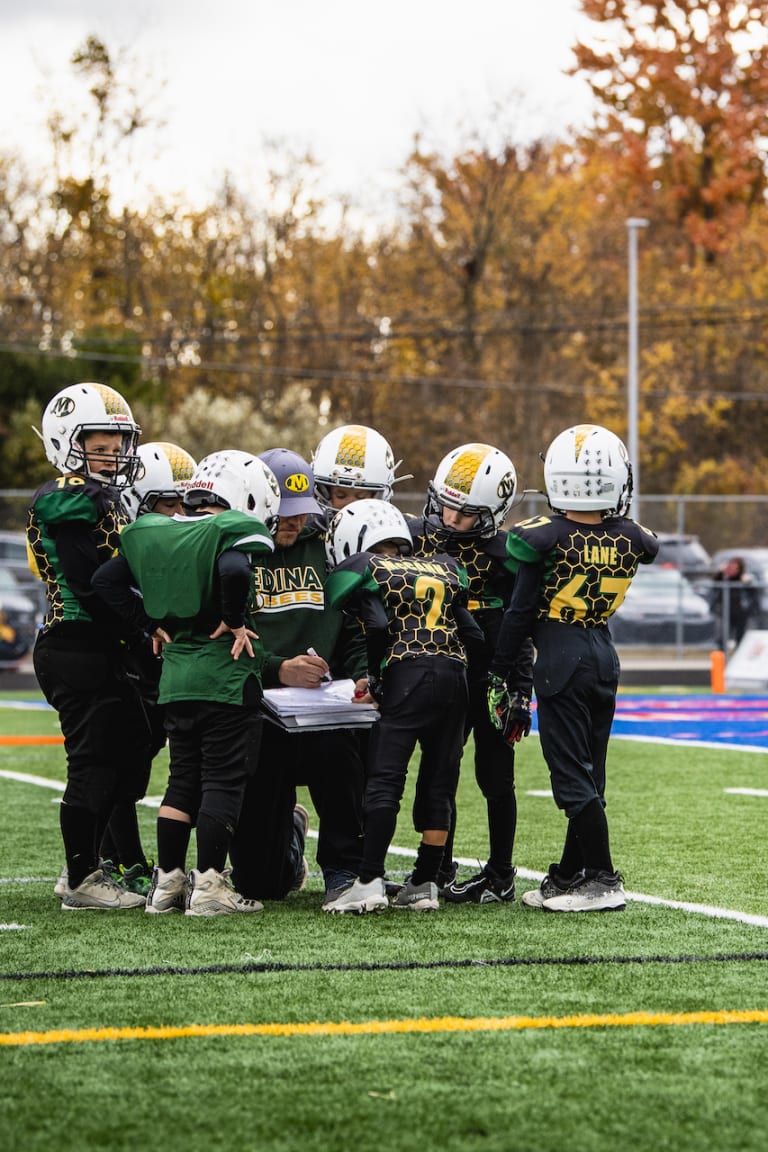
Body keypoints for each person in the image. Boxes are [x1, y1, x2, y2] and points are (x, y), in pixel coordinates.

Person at [93, 449, 279, 915]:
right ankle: (211, 885)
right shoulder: (225, 530)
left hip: (176, 675)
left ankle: (169, 884)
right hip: (222, 675)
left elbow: (105, 580)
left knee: (182, 781)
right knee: (221, 779)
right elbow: (235, 569)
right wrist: (235, 620)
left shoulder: (161, 530)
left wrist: (147, 623)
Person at [488, 423, 659, 913]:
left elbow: (520, 614)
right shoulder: (632, 537)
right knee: (591, 771)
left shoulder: (542, 537)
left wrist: (501, 673)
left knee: (571, 776)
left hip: (562, 655)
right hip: (604, 652)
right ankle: (570, 873)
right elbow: (645, 542)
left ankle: (603, 878)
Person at [322, 499, 484, 914]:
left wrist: (378, 676)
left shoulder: (371, 570)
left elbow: (376, 625)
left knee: (385, 779)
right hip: (456, 678)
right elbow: (475, 635)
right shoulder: (440, 566)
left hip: (409, 675)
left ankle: (369, 880)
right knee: (438, 783)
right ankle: (426, 882)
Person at [228, 448, 370, 905]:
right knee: (260, 886)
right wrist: (277, 667)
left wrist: (363, 675)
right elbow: (221, 637)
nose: (293, 523)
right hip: (260, 709)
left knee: (344, 750)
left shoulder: (329, 543)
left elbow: (353, 625)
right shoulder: (234, 552)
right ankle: (287, 835)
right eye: (284, 515)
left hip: (325, 707)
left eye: (302, 512)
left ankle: (345, 866)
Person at [27, 381, 149, 910]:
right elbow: (90, 583)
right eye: (99, 446)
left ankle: (85, 864)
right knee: (94, 760)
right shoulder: (68, 497)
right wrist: (145, 622)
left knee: (127, 754)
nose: (113, 456)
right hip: (76, 642)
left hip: (104, 645)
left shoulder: (108, 497)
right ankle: (80, 878)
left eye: (117, 445)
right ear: (66, 441)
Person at [410, 443, 533, 903]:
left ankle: (501, 873)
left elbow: (521, 631)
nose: (449, 518)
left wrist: (520, 691)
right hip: (440, 671)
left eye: (464, 513)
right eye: (445, 505)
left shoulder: (509, 555)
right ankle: (439, 865)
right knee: (438, 772)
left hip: (489, 679)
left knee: (495, 777)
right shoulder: (419, 539)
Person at [96, 441, 198, 894]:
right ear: (141, 503)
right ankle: (122, 860)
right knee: (126, 760)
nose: (179, 514)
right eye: (167, 503)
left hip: (171, 665)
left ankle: (118, 858)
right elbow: (108, 588)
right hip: (130, 664)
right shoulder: (130, 547)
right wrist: (146, 628)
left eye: (185, 503)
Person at [312, 423, 409, 510]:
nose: (350, 505)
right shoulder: (305, 527)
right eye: (340, 496)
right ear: (324, 492)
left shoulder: (397, 528)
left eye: (361, 497)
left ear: (378, 496)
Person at [709, 556, 761, 649]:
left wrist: (748, 582)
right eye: (731, 567)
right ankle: (722, 656)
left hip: (741, 612)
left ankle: (738, 656)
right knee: (723, 635)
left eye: (735, 568)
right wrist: (721, 571)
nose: (733, 570)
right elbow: (715, 583)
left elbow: (754, 593)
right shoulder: (724, 577)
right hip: (725, 611)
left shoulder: (745, 578)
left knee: (740, 636)